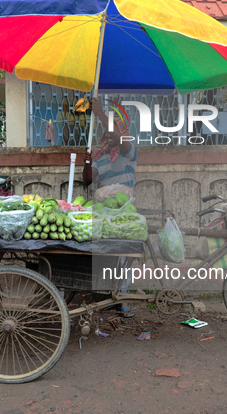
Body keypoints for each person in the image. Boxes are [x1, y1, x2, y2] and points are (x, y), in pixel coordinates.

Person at [83, 98, 137, 317]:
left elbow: (118, 137)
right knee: (107, 253)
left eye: (111, 132)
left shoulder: (129, 151)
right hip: (104, 211)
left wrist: (100, 114)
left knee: (123, 254)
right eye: (106, 133)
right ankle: (109, 295)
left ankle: (123, 297)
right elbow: (88, 181)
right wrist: (86, 162)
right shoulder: (100, 156)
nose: (108, 135)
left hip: (125, 210)